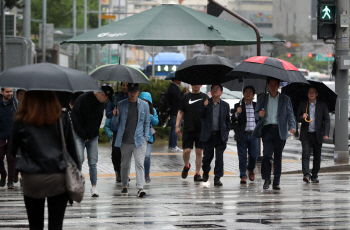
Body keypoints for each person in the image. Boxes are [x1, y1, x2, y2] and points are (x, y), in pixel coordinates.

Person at [10, 91, 80, 230]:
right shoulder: (61, 117)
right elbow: (72, 150)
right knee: (56, 225)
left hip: (32, 177)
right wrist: (76, 175)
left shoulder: (22, 118)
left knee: (35, 225)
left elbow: (12, 150)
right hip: (58, 175)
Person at [71, 85, 113, 197]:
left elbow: (98, 122)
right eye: (107, 98)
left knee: (93, 162)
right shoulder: (82, 98)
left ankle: (94, 187)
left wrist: (91, 135)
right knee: (79, 158)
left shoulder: (100, 104)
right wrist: (83, 134)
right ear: (103, 94)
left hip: (92, 136)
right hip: (78, 134)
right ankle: (77, 184)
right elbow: (74, 117)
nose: (106, 101)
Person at [254, 77, 296, 190]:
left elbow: (290, 114)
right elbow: (256, 113)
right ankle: (266, 179)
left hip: (280, 130)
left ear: (278, 86)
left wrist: (292, 126)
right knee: (266, 155)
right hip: (267, 130)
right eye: (270, 84)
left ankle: (276, 181)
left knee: (278, 156)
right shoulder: (262, 98)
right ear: (268, 85)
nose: (273, 87)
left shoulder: (285, 99)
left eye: (275, 84)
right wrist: (259, 114)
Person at [111, 83, 150, 197]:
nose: (132, 93)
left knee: (139, 164)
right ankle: (124, 186)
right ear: (127, 91)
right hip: (125, 140)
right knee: (125, 164)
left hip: (139, 140)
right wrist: (115, 115)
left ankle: (140, 187)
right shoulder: (120, 105)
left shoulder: (144, 105)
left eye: (134, 91)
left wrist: (145, 137)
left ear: (138, 91)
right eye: (130, 91)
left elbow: (147, 122)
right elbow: (114, 125)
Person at [296, 86, 330, 183]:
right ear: (307, 94)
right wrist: (302, 117)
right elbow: (297, 117)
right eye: (309, 92)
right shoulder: (303, 104)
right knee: (306, 154)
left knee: (317, 155)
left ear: (316, 94)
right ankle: (306, 174)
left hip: (317, 134)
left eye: (313, 92)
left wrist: (326, 133)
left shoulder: (322, 105)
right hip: (306, 134)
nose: (311, 94)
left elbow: (327, 120)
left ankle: (314, 175)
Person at [176, 85, 208, 181]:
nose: (196, 85)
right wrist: (177, 125)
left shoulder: (205, 97)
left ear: (201, 85)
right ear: (191, 85)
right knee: (187, 151)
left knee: (199, 151)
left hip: (201, 129)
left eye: (198, 83)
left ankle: (197, 173)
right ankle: (186, 166)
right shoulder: (185, 97)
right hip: (188, 128)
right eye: (194, 83)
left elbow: (208, 112)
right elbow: (180, 112)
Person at [200, 84, 230, 186]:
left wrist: (226, 132)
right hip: (208, 135)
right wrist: (204, 106)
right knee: (207, 157)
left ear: (221, 92)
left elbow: (227, 121)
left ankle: (217, 178)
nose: (215, 91)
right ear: (211, 92)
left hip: (220, 136)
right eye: (213, 89)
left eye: (217, 89)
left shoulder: (225, 105)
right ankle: (205, 172)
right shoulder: (206, 103)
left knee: (219, 157)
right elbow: (201, 116)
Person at [232, 86, 258, 184]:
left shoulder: (257, 105)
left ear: (253, 95)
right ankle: (243, 175)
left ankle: (251, 169)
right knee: (242, 156)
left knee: (254, 155)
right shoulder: (238, 105)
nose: (248, 93)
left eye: (250, 92)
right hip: (242, 134)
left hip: (254, 135)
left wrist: (261, 115)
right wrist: (237, 113)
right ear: (243, 94)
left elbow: (260, 119)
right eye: (246, 92)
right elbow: (233, 120)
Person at [105, 82, 129, 183]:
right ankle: (117, 172)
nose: (124, 87)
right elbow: (107, 113)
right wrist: (114, 112)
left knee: (126, 154)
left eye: (126, 85)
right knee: (115, 153)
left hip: (128, 129)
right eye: (123, 85)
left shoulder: (131, 97)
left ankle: (125, 174)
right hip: (116, 129)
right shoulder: (114, 98)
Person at [139, 92, 159, 183]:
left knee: (147, 156)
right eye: (143, 101)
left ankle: (147, 174)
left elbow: (156, 122)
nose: (144, 103)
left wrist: (150, 116)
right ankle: (140, 175)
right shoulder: (137, 109)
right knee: (139, 157)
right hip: (138, 136)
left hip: (148, 137)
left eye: (147, 102)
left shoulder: (153, 110)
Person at [0, 88, 18, 189]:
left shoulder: (15, 104)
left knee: (11, 159)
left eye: (11, 91)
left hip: (12, 136)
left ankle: (10, 181)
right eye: (7, 92)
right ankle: (3, 173)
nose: (10, 94)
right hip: (1, 136)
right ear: (2, 92)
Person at [168, 79, 183, 152]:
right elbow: (178, 99)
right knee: (175, 128)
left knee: (173, 129)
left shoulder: (172, 87)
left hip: (173, 111)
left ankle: (171, 145)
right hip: (176, 111)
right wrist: (183, 94)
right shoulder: (174, 88)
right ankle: (173, 145)